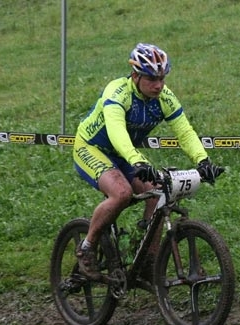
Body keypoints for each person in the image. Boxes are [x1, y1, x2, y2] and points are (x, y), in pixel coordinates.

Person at [73, 42, 222, 279]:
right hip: (92, 148)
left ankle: (146, 259)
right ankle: (87, 247)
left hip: (123, 154)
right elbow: (116, 131)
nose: (159, 85)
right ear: (135, 76)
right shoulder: (117, 92)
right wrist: (137, 161)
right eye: (152, 79)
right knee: (121, 193)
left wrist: (203, 160)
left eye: (162, 78)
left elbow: (184, 132)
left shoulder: (165, 98)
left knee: (158, 193)